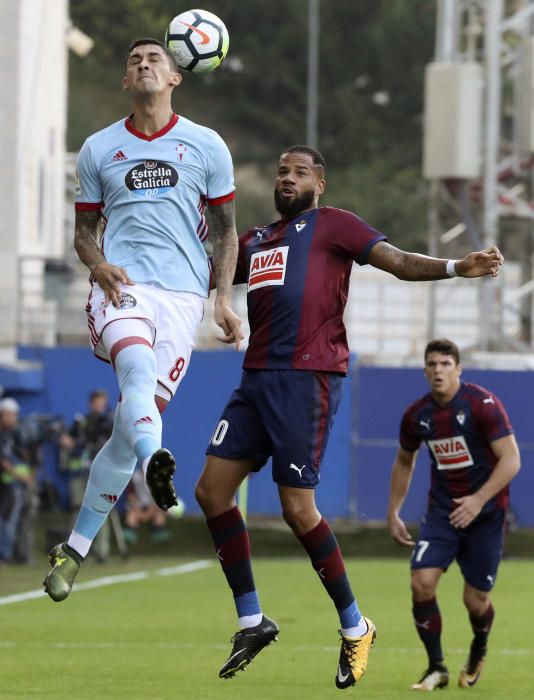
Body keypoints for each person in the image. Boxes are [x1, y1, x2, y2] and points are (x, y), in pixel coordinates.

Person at [194, 144, 504, 689]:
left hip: (307, 378)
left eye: (300, 172)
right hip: (256, 379)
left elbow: (401, 262)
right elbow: (205, 268)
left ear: (321, 183)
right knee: (211, 492)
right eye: (282, 172)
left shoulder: (334, 225)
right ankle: (252, 620)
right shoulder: (255, 241)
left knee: (297, 508)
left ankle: (356, 626)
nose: (287, 178)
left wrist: (458, 267)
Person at [43, 37, 242, 601]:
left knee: (128, 432)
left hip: (182, 299)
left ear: (176, 76)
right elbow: (84, 233)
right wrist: (100, 263)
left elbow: (226, 233)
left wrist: (222, 301)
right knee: (133, 373)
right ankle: (159, 461)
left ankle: (75, 548)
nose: (144, 63)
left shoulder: (206, 146)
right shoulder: (99, 148)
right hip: (123, 284)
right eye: (134, 60)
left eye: (156, 58)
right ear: (126, 82)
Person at [387, 338, 520, 691]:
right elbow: (404, 460)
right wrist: (394, 511)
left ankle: (479, 646)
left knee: (474, 601)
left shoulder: (483, 405)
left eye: (445, 364)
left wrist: (478, 500)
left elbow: (511, 460)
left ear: (458, 369)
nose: (438, 370)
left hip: (487, 514)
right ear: (424, 371)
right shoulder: (417, 416)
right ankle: (436, 667)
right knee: (421, 583)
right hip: (443, 511)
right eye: (432, 364)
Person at [59, 390, 115, 561]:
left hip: (100, 473)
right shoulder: (80, 422)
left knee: (100, 509)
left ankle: (101, 551)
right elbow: (68, 440)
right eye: (97, 402)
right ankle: (75, 550)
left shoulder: (108, 423)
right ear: (90, 403)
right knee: (77, 509)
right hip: (79, 471)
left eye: (102, 403)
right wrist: (67, 440)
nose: (99, 406)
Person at [0, 398, 36, 563]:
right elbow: (4, 460)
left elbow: (29, 457)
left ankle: (8, 554)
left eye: (14, 414)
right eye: (9, 414)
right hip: (10, 484)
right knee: (7, 519)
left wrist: (27, 477)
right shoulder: (6, 435)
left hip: (14, 484)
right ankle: (5, 554)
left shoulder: (17, 434)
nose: (12, 417)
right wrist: (21, 475)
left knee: (11, 520)